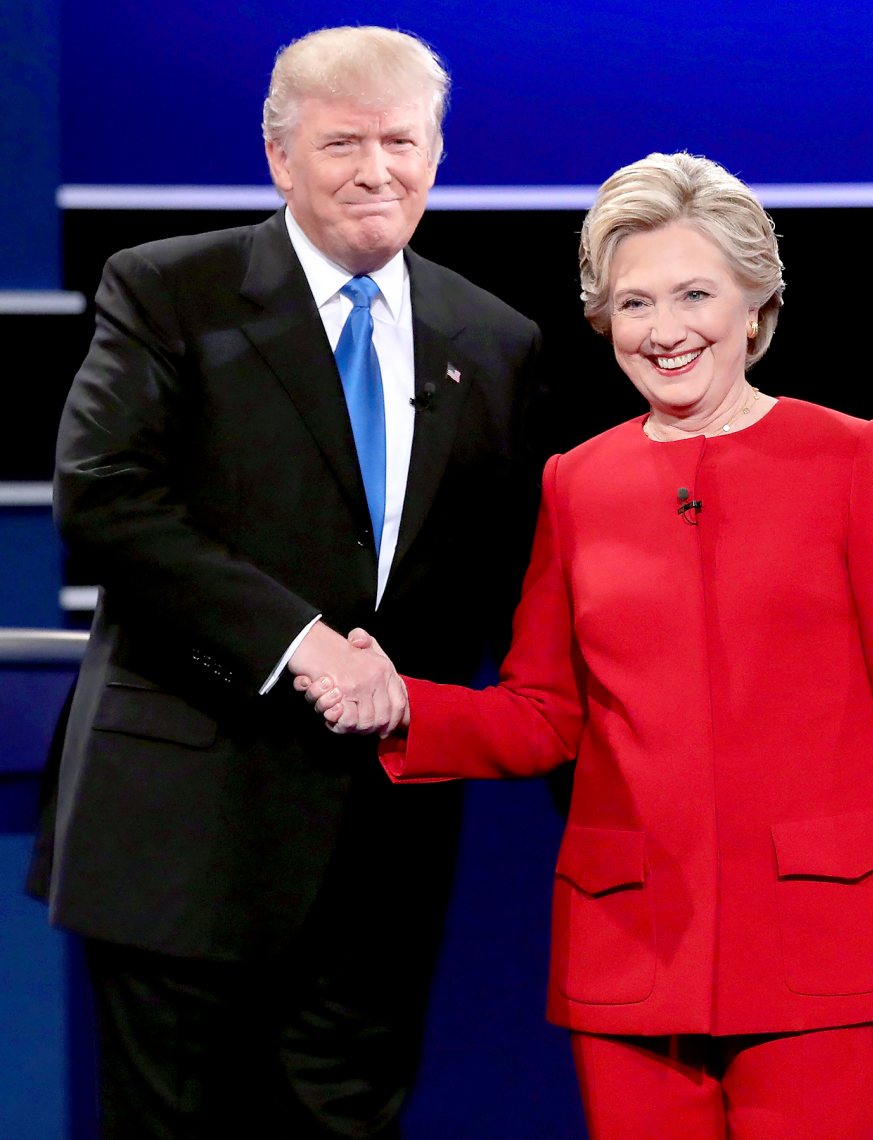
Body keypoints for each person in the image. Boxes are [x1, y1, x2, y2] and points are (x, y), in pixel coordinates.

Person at [298, 152, 873, 1138]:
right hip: (632, 945)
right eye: (633, 303)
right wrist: (407, 705)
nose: (664, 331)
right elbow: (543, 713)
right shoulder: (578, 482)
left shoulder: (847, 456)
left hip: (822, 940)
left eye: (694, 294)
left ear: (756, 304)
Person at [27, 25, 544, 1138]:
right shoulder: (170, 290)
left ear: (437, 153)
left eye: (401, 141)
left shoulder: (494, 340)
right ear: (278, 157)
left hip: (382, 839)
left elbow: (510, 579)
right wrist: (297, 642)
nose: (376, 170)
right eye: (341, 142)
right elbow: (105, 497)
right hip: (182, 823)